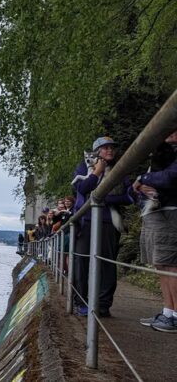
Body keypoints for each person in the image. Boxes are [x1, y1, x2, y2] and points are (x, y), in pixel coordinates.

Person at [72, 136, 134, 317]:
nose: (110, 150)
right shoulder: (83, 167)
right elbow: (82, 189)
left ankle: (103, 305)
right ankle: (81, 302)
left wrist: (103, 199)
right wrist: (97, 172)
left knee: (107, 264)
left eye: (112, 148)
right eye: (106, 148)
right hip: (87, 221)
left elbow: (128, 196)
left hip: (108, 223)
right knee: (82, 262)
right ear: (97, 151)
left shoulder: (119, 169)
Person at [134, 128, 177, 332]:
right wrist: (140, 185)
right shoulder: (163, 151)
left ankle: (175, 316)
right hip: (156, 212)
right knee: (161, 264)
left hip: (171, 212)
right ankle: (168, 312)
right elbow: (134, 187)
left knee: (171, 265)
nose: (169, 132)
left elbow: (170, 178)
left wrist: (142, 179)